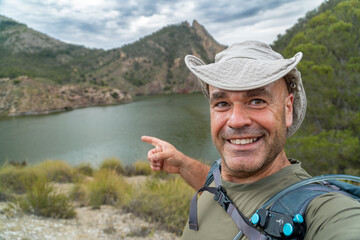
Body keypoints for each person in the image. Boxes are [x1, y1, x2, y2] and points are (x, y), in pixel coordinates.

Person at [141, 41, 360, 239]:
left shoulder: (320, 210)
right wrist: (182, 164)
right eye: (222, 103)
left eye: (256, 100)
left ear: (288, 108)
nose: (236, 121)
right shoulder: (220, 176)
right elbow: (224, 189)